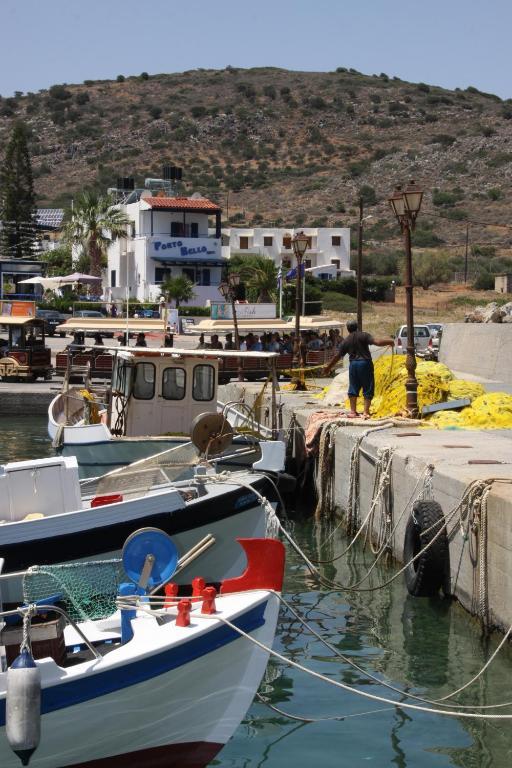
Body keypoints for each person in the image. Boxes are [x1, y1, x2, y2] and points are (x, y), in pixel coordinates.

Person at [323, 320, 393, 419]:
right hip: (365, 363)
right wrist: (390, 341)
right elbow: (377, 342)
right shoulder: (364, 335)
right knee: (368, 386)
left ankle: (353, 412)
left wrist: (328, 368)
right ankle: (366, 412)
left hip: (353, 365)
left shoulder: (345, 341)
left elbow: (337, 356)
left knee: (353, 386)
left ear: (348, 329)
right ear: (357, 327)